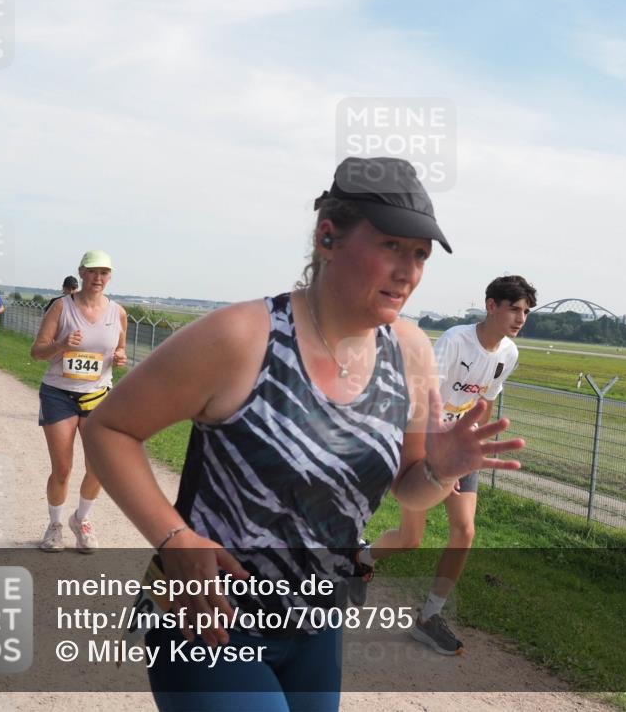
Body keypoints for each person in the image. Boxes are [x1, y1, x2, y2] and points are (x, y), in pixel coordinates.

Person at [80, 157, 525, 712]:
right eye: (391, 245)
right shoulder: (243, 337)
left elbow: (409, 489)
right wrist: (176, 540)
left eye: (419, 255)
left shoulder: (411, 352)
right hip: (211, 616)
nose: (408, 271)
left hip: (319, 620)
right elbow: (110, 428)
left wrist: (441, 468)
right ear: (328, 237)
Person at [358, 275, 536, 655]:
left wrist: (460, 456)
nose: (521, 318)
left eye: (526, 312)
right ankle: (359, 560)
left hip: (459, 444)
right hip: (424, 437)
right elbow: (424, 398)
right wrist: (437, 466)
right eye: (514, 309)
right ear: (491, 305)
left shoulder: (509, 354)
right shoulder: (456, 340)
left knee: (465, 531)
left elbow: (482, 404)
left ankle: (429, 617)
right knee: (410, 540)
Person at [31, 251, 127, 553]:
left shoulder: (118, 313)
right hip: (59, 393)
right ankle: (55, 525)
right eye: (92, 272)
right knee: (62, 468)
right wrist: (61, 345)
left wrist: (120, 358)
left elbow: (118, 351)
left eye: (104, 273)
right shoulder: (62, 307)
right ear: (82, 273)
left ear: (109, 277)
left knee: (99, 466)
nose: (98, 279)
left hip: (98, 395)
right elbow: (37, 352)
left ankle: (81, 519)